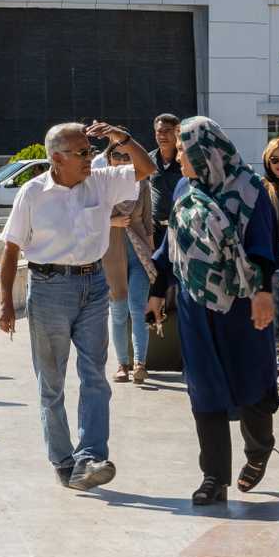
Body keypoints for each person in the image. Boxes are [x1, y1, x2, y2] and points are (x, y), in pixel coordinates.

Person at [0, 121, 154, 491]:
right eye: (80, 152)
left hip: (94, 285)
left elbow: (146, 169)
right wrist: (5, 301)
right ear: (56, 158)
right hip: (49, 289)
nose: (89, 158)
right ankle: (63, 460)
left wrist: (122, 138)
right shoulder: (32, 194)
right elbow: (11, 247)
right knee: (52, 383)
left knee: (95, 375)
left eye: (89, 150)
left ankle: (91, 456)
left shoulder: (100, 180)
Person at [146, 117, 279, 506]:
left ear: (206, 153)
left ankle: (259, 450)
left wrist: (263, 294)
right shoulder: (185, 188)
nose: (179, 157)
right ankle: (213, 477)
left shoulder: (251, 191)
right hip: (194, 305)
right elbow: (174, 241)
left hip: (241, 303)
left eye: (184, 150)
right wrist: (158, 289)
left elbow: (263, 248)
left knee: (251, 381)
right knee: (203, 388)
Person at [102, 144, 157, 384]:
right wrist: (111, 220)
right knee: (118, 311)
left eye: (127, 156)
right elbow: (85, 217)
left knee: (137, 308)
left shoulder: (142, 183)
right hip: (111, 253)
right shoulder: (101, 183)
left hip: (139, 252)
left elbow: (147, 220)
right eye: (117, 155)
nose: (122, 160)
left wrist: (153, 255)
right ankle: (122, 364)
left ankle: (140, 364)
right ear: (109, 158)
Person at [147, 113, 185, 239]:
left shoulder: (186, 160)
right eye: (159, 131)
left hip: (181, 226)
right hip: (155, 229)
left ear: (177, 132)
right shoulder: (148, 159)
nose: (162, 135)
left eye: (167, 131)